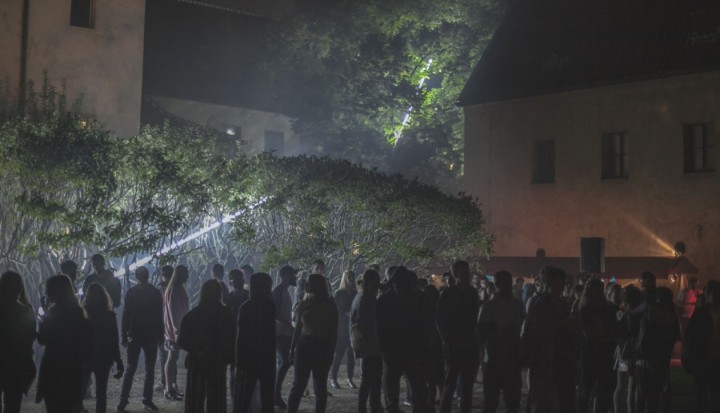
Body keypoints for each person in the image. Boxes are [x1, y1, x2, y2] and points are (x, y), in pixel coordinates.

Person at [522, 266, 577, 413]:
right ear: (549, 282)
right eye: (558, 283)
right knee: (542, 402)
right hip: (544, 361)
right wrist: (562, 324)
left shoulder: (561, 303)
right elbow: (539, 332)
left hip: (560, 360)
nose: (561, 286)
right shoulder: (538, 303)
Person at [36, 274, 94, 413]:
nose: (47, 293)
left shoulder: (53, 313)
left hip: (54, 369)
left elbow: (43, 339)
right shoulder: (79, 312)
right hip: (73, 370)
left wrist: (44, 315)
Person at [178, 280, 235, 413]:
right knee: (217, 397)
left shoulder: (193, 314)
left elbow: (182, 340)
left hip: (198, 360)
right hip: (217, 361)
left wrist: (197, 350)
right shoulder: (226, 315)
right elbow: (231, 339)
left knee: (195, 397)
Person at [377, 266, 429, 413]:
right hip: (395, 350)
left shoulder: (418, 298)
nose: (401, 288)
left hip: (412, 349)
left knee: (415, 385)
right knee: (393, 385)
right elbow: (380, 326)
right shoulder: (386, 300)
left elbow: (426, 324)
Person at [286, 273, 338, 413]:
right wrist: (292, 348)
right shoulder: (304, 303)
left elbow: (333, 333)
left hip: (320, 346)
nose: (306, 285)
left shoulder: (330, 305)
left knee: (319, 387)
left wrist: (330, 353)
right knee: (299, 385)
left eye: (309, 283)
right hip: (305, 345)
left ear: (317, 286)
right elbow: (297, 328)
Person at [477, 270, 524, 413]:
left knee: (512, 400)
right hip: (494, 358)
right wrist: (500, 333)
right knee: (491, 400)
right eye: (503, 283)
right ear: (497, 285)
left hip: (512, 357)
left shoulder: (516, 304)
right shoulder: (489, 306)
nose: (507, 287)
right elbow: (481, 333)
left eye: (508, 283)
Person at [118, 266, 164, 412]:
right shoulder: (154, 293)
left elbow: (126, 315)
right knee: (149, 369)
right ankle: (146, 399)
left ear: (137, 276)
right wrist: (160, 334)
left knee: (131, 368)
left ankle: (123, 400)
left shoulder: (132, 293)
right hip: (149, 334)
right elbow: (159, 315)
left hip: (135, 334)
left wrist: (124, 335)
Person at [437, 261, 480, 413]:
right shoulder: (448, 294)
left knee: (467, 386)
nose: (467, 276)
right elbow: (440, 320)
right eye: (464, 273)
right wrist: (447, 340)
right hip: (454, 344)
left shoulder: (472, 293)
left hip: (469, 344)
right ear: (456, 275)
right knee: (450, 383)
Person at [235, 272, 276, 413]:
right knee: (267, 396)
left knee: (244, 395)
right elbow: (271, 335)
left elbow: (241, 338)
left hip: (249, 356)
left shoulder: (246, 307)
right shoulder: (269, 306)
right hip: (266, 357)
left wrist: (239, 361)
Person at [576, 278, 619, 413]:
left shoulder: (609, 309)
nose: (599, 292)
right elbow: (585, 331)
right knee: (586, 390)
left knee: (602, 390)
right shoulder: (585, 309)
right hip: (590, 353)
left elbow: (615, 329)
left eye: (600, 289)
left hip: (603, 354)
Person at [82, 283, 123, 413]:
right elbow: (114, 339)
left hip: (86, 356)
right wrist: (118, 360)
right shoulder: (109, 316)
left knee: (80, 391)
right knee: (101, 393)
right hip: (104, 357)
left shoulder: (83, 314)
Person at [0, 271, 36, 413]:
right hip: (17, 363)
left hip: (8, 360)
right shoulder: (25, 311)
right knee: (13, 405)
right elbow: (31, 336)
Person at [683, 279, 720, 412]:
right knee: (703, 394)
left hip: (712, 358)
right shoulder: (702, 312)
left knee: (714, 393)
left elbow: (689, 334)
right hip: (704, 357)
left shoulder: (702, 312)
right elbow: (691, 334)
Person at [350, 270, 383, 413]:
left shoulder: (359, 297)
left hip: (365, 344)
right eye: (376, 281)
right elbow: (366, 324)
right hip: (371, 344)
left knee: (367, 379)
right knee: (372, 380)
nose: (378, 285)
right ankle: (373, 407)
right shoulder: (367, 299)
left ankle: (365, 408)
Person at [164, 265, 190, 400]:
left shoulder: (174, 288)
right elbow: (174, 311)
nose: (187, 276)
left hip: (175, 330)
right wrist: (177, 331)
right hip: (175, 331)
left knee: (172, 359)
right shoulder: (175, 289)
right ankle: (169, 389)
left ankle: (171, 388)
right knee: (172, 359)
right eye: (185, 273)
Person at [272, 265, 297, 409]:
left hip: (284, 331)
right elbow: (273, 314)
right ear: (286, 275)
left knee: (284, 362)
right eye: (293, 274)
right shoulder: (279, 292)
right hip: (280, 332)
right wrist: (287, 324)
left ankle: (275, 394)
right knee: (285, 362)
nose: (295, 277)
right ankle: (275, 394)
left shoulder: (284, 291)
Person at [615, 285, 642, 413]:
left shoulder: (622, 314)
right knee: (632, 387)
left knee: (621, 386)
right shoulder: (636, 314)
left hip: (623, 351)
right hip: (632, 352)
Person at [331, 270, 358, 389]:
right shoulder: (339, 293)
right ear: (345, 278)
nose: (351, 280)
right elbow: (334, 310)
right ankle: (333, 378)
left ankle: (350, 379)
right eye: (349, 277)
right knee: (339, 354)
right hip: (341, 327)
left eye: (353, 277)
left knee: (351, 354)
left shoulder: (355, 293)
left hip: (351, 326)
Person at [156, 264, 174, 393]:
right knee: (171, 354)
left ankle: (166, 382)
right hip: (169, 326)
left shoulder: (164, 289)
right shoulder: (175, 288)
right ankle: (171, 382)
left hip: (165, 325)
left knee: (165, 355)